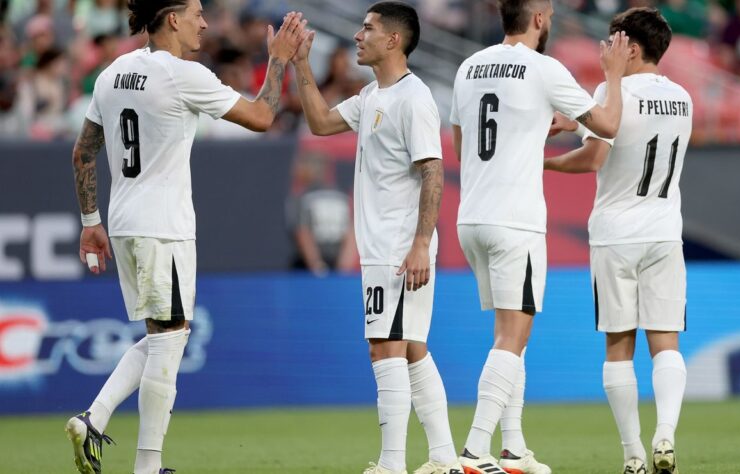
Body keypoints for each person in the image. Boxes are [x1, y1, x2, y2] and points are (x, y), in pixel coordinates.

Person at [65, 1, 306, 473]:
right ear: (171, 18)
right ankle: (144, 463)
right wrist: (278, 59)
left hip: (124, 222)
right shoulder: (182, 74)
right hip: (163, 228)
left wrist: (90, 220)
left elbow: (82, 153)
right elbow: (261, 118)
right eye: (196, 12)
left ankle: (95, 419)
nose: (204, 22)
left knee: (165, 335)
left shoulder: (115, 72)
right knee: (171, 339)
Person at [449, 0, 630, 472]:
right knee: (514, 333)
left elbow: (461, 140)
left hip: (472, 217)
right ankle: (473, 451)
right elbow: (607, 126)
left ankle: (512, 449)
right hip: (516, 219)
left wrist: (524, 138)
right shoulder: (544, 68)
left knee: (510, 334)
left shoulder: (469, 65)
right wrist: (612, 75)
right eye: (547, 12)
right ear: (538, 18)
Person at [291, 2, 462, 473]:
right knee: (410, 349)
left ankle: (391, 464)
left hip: (400, 245)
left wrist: (422, 242)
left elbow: (433, 171)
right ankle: (444, 458)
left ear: (393, 40)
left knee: (384, 346)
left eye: (367, 28)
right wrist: (302, 63)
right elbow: (321, 122)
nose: (357, 35)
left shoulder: (414, 98)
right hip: (385, 244)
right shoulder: (371, 97)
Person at [545, 8, 691, 474]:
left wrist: (541, 162)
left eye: (612, 41)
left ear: (630, 46)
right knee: (666, 342)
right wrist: (578, 120)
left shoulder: (612, 91)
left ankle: (632, 455)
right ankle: (665, 433)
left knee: (618, 346)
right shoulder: (682, 97)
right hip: (665, 231)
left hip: (615, 234)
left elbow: (592, 159)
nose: (605, 50)